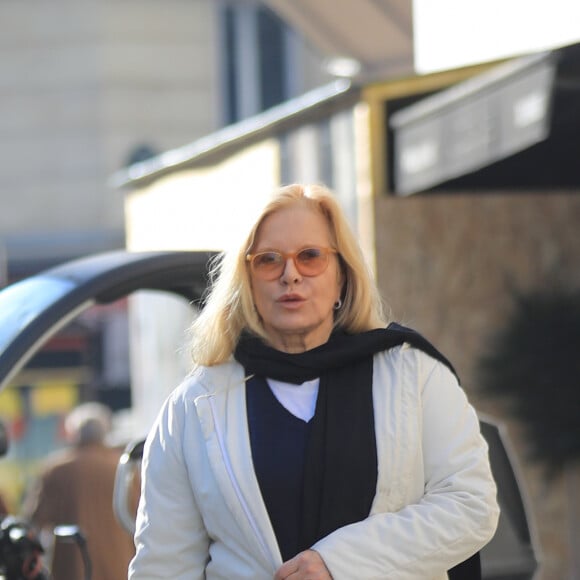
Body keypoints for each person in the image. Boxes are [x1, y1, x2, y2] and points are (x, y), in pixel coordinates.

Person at [130, 183, 500, 579]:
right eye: (268, 260)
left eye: (310, 257)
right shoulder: (192, 407)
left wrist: (339, 563)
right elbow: (164, 566)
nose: (290, 275)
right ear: (247, 281)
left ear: (341, 276)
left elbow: (470, 505)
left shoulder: (416, 377)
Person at [22, 402, 136, 580]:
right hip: (120, 567)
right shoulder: (125, 468)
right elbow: (143, 518)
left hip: (73, 568)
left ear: (73, 433)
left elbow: (34, 520)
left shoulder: (56, 470)